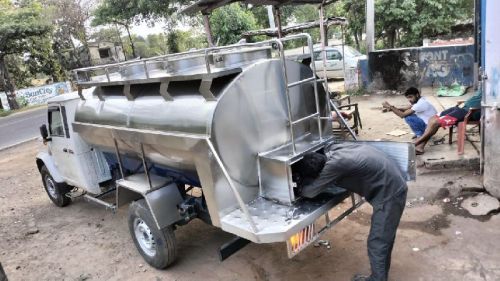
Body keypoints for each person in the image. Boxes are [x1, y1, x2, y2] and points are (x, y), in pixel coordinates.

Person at [294, 142, 408, 281]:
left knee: (378, 242)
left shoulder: (335, 165)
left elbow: (310, 192)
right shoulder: (334, 148)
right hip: (391, 181)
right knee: (384, 239)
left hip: (390, 195)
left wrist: (299, 188)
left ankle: (378, 279)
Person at [414, 90, 482, 154]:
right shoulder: (484, 85)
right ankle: (420, 146)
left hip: (468, 112)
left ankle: (417, 142)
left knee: (435, 122)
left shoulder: (490, 91)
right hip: (460, 108)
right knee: (432, 119)